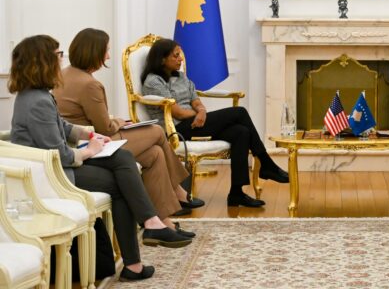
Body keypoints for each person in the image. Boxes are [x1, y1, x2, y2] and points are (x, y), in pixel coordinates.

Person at [9, 35, 192, 282]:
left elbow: (61, 127)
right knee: (121, 184)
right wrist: (89, 150)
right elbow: (59, 154)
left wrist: (87, 134)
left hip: (57, 166)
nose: (61, 60)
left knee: (122, 157)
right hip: (53, 176)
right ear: (42, 61)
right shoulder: (36, 101)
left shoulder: (37, 94)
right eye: (58, 55)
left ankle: (151, 225)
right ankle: (138, 256)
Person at [53, 28, 201, 236]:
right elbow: (104, 128)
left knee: (155, 154)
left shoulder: (65, 74)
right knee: (157, 132)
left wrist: (114, 122)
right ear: (94, 52)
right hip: (92, 145)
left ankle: (163, 223)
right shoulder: (90, 84)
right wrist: (118, 122)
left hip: (82, 139)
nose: (108, 56)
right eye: (106, 51)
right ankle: (177, 189)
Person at [141, 38, 289, 208]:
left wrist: (202, 111)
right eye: (175, 56)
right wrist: (198, 114)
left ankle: (236, 193)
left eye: (180, 54)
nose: (180, 59)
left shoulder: (181, 76)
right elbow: (177, 112)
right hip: (176, 129)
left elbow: (195, 100)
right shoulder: (154, 82)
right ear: (162, 59)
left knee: (241, 132)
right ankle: (266, 163)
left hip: (194, 123)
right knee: (240, 112)